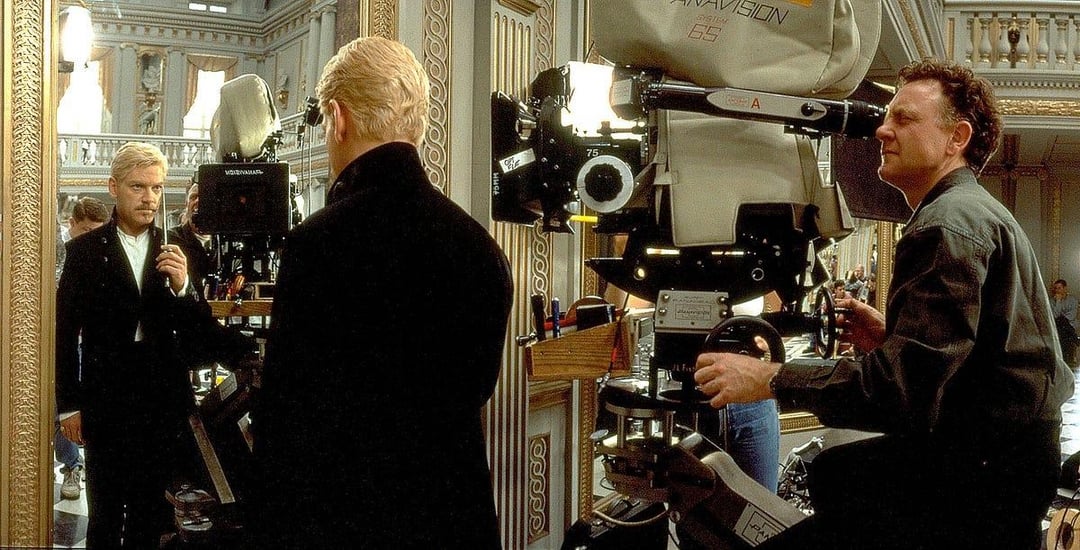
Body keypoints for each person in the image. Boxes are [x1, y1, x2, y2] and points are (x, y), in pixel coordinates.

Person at [693, 58, 1074, 549]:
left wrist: (768, 379)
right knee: (836, 471)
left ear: (956, 137)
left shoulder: (948, 224)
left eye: (904, 118)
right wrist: (889, 338)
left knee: (834, 482)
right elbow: (973, 360)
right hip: (1010, 463)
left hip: (985, 477)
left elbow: (901, 393)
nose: (881, 130)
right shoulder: (970, 210)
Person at [252, 37, 513, 549]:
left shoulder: (316, 245)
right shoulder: (481, 248)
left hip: (343, 524)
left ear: (337, 118)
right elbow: (471, 394)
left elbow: (287, 426)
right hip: (454, 518)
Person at [56, 142, 207, 548]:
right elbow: (64, 332)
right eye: (138, 187)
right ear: (114, 188)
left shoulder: (179, 247)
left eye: (156, 188)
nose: (149, 198)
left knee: (150, 517)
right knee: (104, 517)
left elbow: (199, 331)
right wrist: (68, 405)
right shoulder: (83, 252)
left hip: (161, 401)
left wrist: (184, 287)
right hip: (105, 398)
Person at [54, 196, 109, 501]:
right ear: (71, 224)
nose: (92, 239)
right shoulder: (57, 250)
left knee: (66, 404)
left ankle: (72, 465)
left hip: (82, 341)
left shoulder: (103, 254)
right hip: (44, 334)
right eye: (87, 231)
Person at [1051, 278, 1079, 365]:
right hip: (1060, 327)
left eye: (1059, 288)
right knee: (1061, 325)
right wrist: (1058, 301)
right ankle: (1075, 340)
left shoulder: (1073, 300)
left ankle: (1064, 359)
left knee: (1062, 323)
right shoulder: (1052, 301)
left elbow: (1071, 316)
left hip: (1070, 324)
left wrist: (1061, 318)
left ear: (1065, 288)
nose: (1057, 290)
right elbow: (1054, 316)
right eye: (1056, 288)